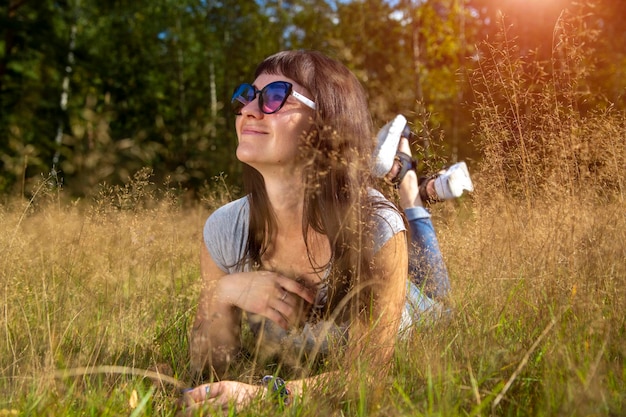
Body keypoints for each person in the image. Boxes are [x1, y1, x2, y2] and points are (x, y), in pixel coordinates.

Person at [182, 51, 470, 412]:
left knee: (431, 277)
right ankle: (408, 177)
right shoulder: (224, 231)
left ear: (325, 124)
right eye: (247, 96)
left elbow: (366, 376)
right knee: (406, 208)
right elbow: (208, 364)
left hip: (421, 308)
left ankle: (409, 183)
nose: (249, 110)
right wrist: (221, 291)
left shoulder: (376, 228)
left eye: (274, 96)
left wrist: (267, 394)